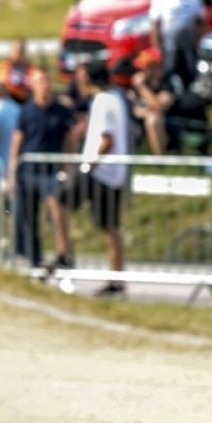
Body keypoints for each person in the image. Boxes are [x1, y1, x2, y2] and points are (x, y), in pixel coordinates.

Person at [8, 67, 75, 272]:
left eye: (47, 81)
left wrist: (69, 168)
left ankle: (64, 254)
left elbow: (70, 141)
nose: (45, 86)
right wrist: (12, 171)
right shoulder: (26, 111)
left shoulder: (62, 111)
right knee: (28, 215)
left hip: (52, 171)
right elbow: (17, 142)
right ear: (33, 86)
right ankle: (33, 257)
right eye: (40, 82)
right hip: (29, 170)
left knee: (57, 211)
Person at [79, 63, 131, 297]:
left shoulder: (102, 101)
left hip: (102, 172)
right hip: (111, 171)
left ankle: (115, 277)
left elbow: (107, 140)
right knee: (110, 226)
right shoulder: (115, 98)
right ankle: (116, 275)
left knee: (109, 226)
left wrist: (91, 165)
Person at [148, 0, 206, 87]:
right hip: (169, 44)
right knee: (169, 70)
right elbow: (155, 24)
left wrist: (198, 40)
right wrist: (157, 46)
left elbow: (201, 21)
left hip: (188, 44)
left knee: (189, 70)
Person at [0, 38, 32, 104]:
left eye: (21, 50)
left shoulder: (30, 68)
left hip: (27, 100)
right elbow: (2, 84)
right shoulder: (5, 66)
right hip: (9, 100)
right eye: (16, 50)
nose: (18, 53)